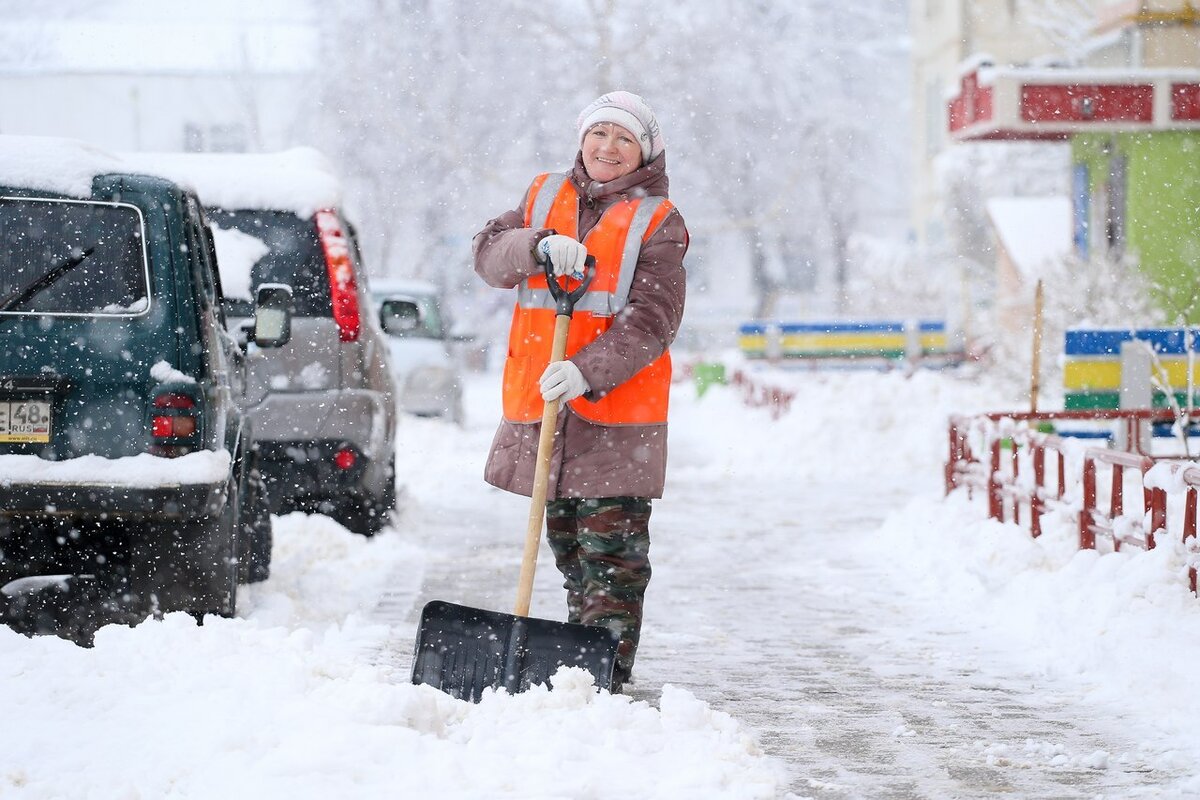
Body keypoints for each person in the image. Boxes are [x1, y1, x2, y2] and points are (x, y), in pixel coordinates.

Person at [472, 91, 688, 692]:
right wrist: (534, 244)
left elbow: (654, 318)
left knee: (611, 560)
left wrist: (587, 370)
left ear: (644, 152)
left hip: (614, 416)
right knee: (570, 548)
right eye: (599, 134)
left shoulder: (658, 222)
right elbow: (488, 256)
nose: (607, 148)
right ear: (582, 139)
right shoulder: (543, 195)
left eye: (624, 139)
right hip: (544, 409)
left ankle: (604, 680)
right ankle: (580, 671)